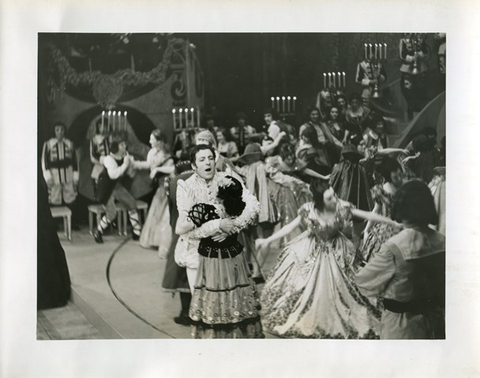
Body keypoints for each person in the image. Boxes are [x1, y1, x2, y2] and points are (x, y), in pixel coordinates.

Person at [256, 180, 400, 338]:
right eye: (330, 198)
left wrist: (392, 221)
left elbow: (367, 214)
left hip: (339, 250)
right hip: (312, 249)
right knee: (304, 288)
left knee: (350, 289)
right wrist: (267, 240)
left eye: (334, 195)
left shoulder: (342, 207)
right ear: (320, 201)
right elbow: (289, 227)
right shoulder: (309, 210)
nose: (335, 199)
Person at [175, 145, 262, 338]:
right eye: (201, 160)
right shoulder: (186, 187)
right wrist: (218, 225)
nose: (207, 163)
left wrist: (233, 225)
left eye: (210, 158)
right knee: (207, 310)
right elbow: (185, 230)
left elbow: (253, 204)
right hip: (195, 255)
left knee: (231, 306)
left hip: (226, 254)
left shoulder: (226, 178)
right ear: (193, 165)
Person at [355, 180, 445, 339]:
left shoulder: (394, 246)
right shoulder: (442, 241)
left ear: (401, 208)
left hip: (403, 326)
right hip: (436, 320)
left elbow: (364, 282)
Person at [93, 136, 142, 243]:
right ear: (116, 147)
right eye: (122, 145)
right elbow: (114, 174)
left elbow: (134, 166)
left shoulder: (125, 156)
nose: (125, 146)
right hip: (106, 188)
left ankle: (137, 231)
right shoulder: (108, 159)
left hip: (116, 186)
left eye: (125, 144)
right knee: (111, 214)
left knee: (132, 204)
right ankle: (98, 231)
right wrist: (125, 164)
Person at [138, 130, 175, 256]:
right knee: (157, 211)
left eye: (152, 139)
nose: (150, 141)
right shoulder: (152, 152)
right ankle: (154, 240)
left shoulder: (167, 153)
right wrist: (135, 164)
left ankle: (161, 242)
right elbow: (150, 165)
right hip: (160, 186)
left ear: (159, 141)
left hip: (167, 185)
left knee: (164, 213)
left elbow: (170, 168)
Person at [361, 157, 405, 262]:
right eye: (395, 175)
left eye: (400, 173)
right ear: (388, 174)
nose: (399, 177)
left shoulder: (405, 185)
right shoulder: (382, 189)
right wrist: (367, 230)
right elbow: (376, 210)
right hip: (388, 227)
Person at [41, 122, 79, 228]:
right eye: (57, 130)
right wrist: (48, 176)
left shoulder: (70, 143)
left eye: (62, 130)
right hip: (54, 174)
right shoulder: (48, 144)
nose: (60, 132)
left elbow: (75, 161)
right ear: (54, 131)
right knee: (54, 197)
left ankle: (72, 223)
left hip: (68, 173)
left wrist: (75, 176)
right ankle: (55, 223)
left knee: (70, 196)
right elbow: (44, 162)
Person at [399, 33, 429, 120]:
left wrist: (419, 55)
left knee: (420, 89)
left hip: (420, 68)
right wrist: (412, 58)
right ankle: (410, 109)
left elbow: (425, 51)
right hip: (407, 69)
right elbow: (402, 54)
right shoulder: (404, 41)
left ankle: (419, 111)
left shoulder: (420, 39)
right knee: (408, 89)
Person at [89, 118, 111, 190]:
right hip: (99, 167)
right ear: (98, 127)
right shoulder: (94, 140)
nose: (104, 128)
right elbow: (92, 157)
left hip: (112, 167)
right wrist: (104, 163)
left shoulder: (110, 138)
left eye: (106, 126)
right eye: (102, 126)